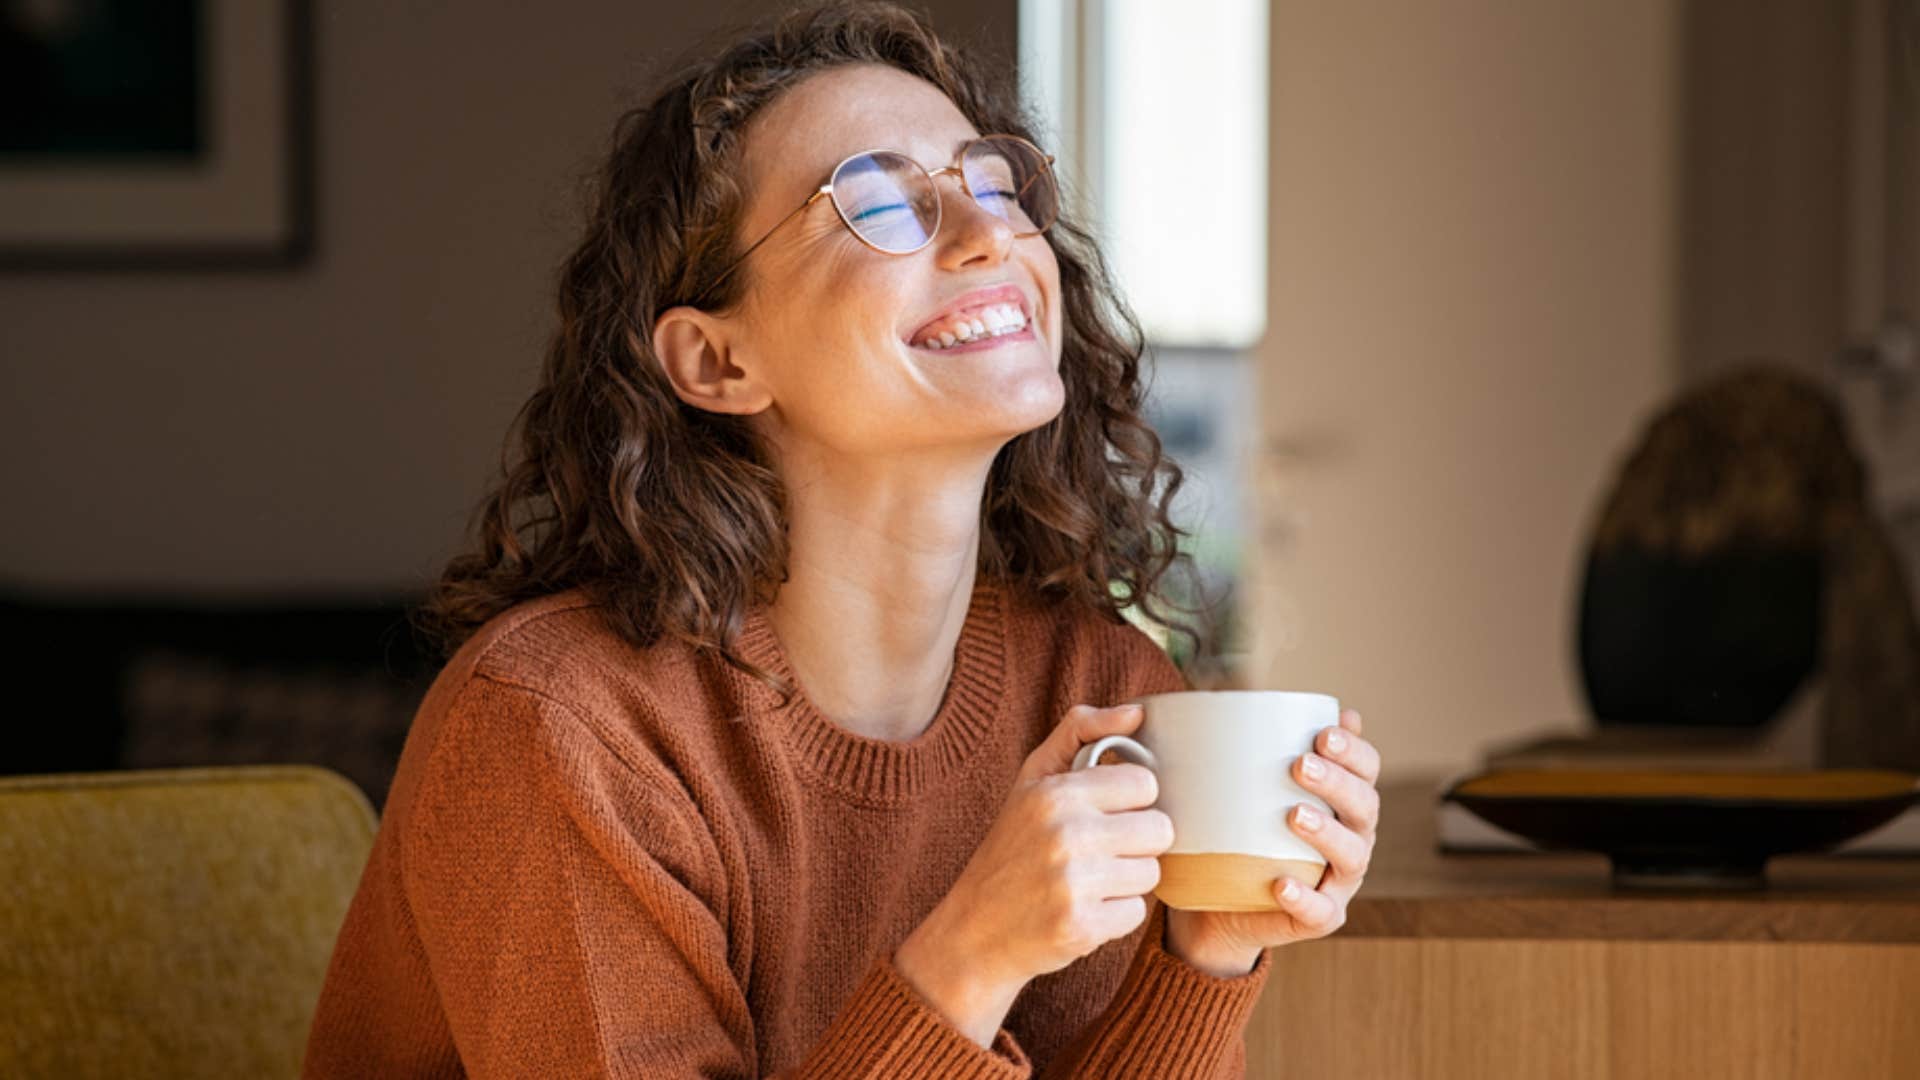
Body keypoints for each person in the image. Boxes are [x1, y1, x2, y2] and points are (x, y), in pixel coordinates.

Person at [303, 3, 1381, 1076]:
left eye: (993, 183)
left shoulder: (1096, 687)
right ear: (718, 363)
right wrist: (969, 958)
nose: (991, 233)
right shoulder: (566, 730)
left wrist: (1209, 953)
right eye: (877, 203)